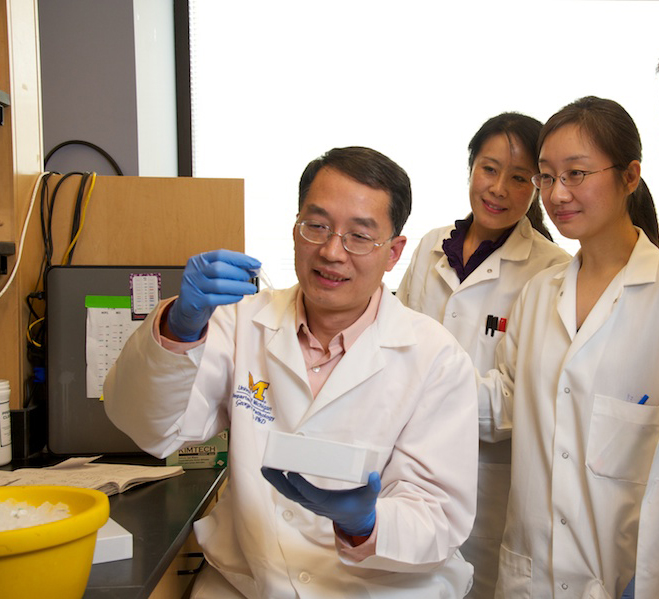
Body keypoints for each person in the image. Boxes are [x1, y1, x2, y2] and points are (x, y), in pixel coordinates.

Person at [104, 146, 479, 598]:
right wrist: (178, 329)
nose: (331, 251)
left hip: (381, 590)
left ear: (394, 252)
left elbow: (439, 518)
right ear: (296, 229)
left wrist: (366, 523)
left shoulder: (435, 357)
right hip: (248, 584)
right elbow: (149, 426)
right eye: (316, 225)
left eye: (359, 236)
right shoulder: (239, 320)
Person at [478, 96, 659, 598]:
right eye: (546, 176)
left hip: (623, 574)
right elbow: (509, 402)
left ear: (630, 177)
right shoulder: (539, 293)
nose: (557, 194)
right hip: (527, 572)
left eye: (576, 174)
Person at [397, 112, 570, 599]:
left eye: (519, 178)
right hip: (407, 469)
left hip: (486, 484)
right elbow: (391, 345)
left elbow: (520, 399)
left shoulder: (551, 271)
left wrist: (425, 392)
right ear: (471, 167)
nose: (498, 188)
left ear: (537, 186)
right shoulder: (431, 246)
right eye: (489, 169)